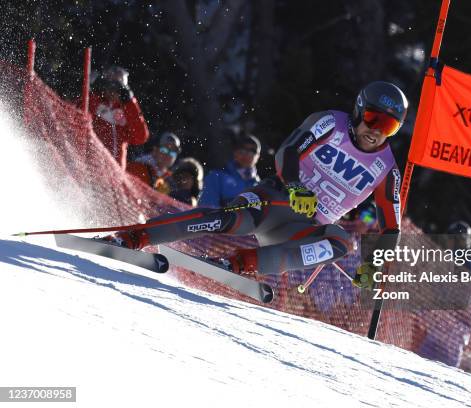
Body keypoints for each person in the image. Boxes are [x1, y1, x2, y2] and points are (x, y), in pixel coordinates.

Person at [105, 81, 406, 282]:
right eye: (372, 118)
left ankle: (239, 264)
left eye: (389, 126)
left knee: (342, 242)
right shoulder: (331, 123)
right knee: (230, 220)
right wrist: (295, 187)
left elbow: (391, 227)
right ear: (358, 110)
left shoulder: (386, 169)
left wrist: (377, 266)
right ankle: (133, 238)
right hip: (277, 200)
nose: (376, 131)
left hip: (301, 229)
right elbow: (289, 151)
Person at [417, 221, 471, 367]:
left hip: (454, 326)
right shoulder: (466, 261)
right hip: (446, 325)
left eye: (450, 238)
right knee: (423, 365)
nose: (448, 242)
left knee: (440, 370)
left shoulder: (468, 263)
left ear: (458, 240)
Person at [89, 66, 149, 169]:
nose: (113, 91)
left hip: (114, 171)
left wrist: (130, 102)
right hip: (89, 161)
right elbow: (78, 112)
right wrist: (92, 90)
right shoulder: (95, 101)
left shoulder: (127, 110)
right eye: (110, 85)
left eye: (118, 88)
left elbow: (140, 137)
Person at [198, 134, 261, 208]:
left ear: (258, 156)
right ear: (235, 151)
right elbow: (208, 210)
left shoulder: (260, 185)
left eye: (252, 151)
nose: (246, 154)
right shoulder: (216, 176)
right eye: (242, 149)